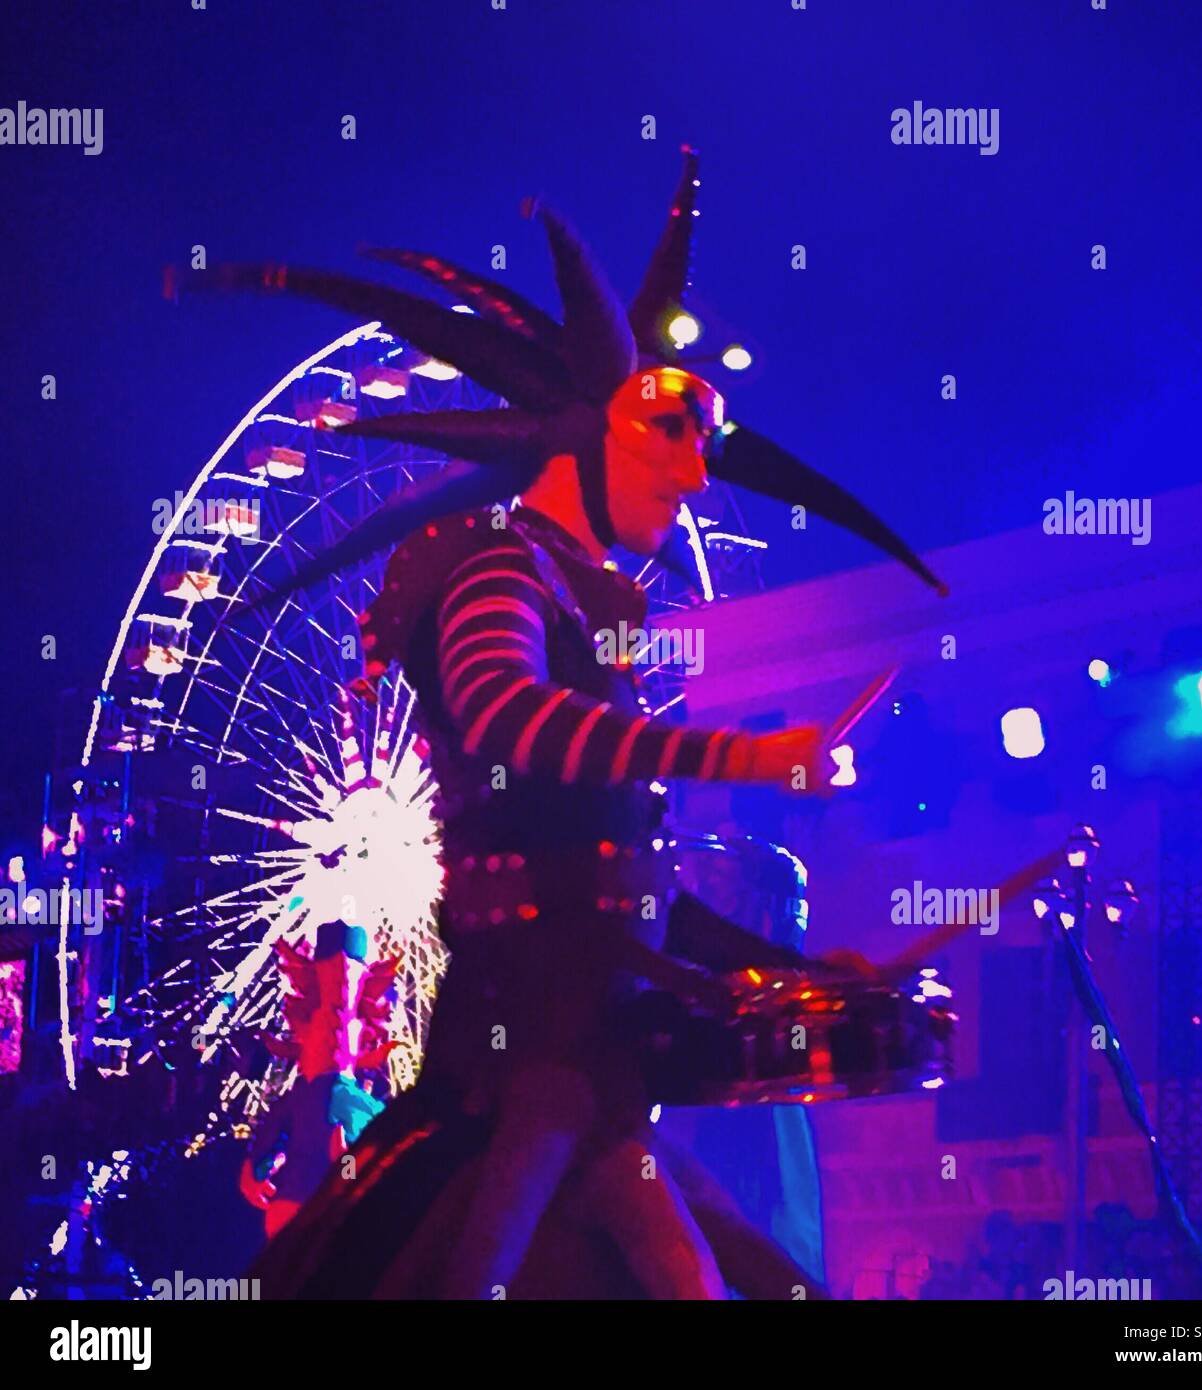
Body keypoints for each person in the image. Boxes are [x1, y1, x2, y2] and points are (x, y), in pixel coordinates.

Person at [177, 147, 945, 1298]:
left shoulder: (585, 600)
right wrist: (745, 759)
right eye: (666, 434)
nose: (693, 478)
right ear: (581, 436)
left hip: (598, 1064)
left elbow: (630, 897)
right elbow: (503, 713)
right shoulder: (499, 568)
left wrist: (794, 973)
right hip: (525, 1057)